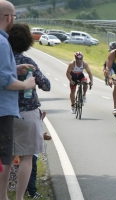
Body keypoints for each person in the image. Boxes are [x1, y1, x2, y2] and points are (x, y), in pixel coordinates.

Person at [8, 23, 51, 200]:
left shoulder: (4, 61)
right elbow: (46, 85)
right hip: (27, 113)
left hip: (6, 113)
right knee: (26, 158)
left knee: (6, 158)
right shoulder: (29, 63)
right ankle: (20, 197)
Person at [0, 2, 36, 200]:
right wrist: (26, 84)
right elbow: (3, 80)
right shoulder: (3, 42)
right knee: (4, 157)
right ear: (9, 18)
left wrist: (15, 69)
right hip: (3, 109)